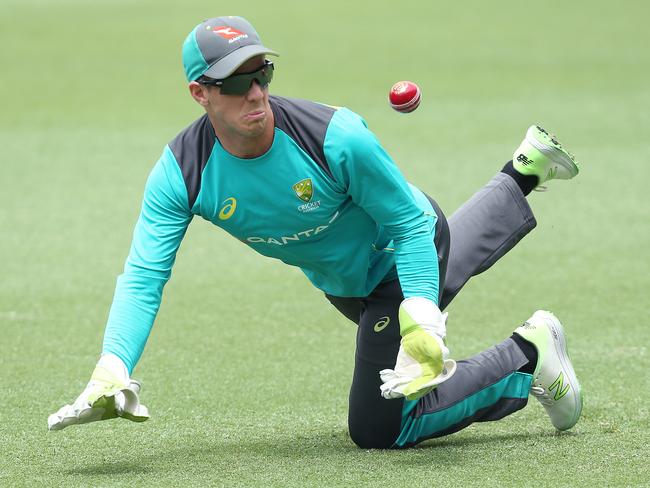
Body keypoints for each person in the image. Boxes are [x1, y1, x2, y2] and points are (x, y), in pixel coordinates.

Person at [48, 16, 583, 449]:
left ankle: (527, 354)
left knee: (379, 428)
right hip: (345, 281)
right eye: (236, 82)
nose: (255, 93)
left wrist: (420, 311)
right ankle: (523, 171)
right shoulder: (182, 173)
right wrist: (111, 367)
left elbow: (410, 222)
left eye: (263, 75)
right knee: (412, 298)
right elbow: (145, 275)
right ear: (200, 93)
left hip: (405, 243)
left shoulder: (336, 137)